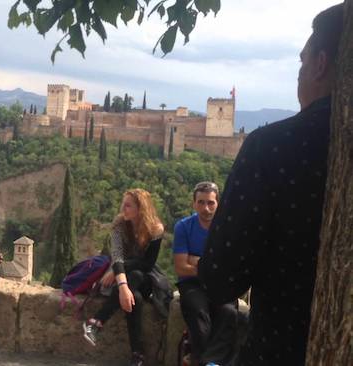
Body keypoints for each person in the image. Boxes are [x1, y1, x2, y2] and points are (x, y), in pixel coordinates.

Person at [198, 4, 344, 365]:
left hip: (282, 347)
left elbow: (220, 276)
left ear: (320, 64)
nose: (298, 74)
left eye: (302, 61)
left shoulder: (273, 147)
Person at [82, 188, 165, 366]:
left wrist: (116, 272)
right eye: (123, 205)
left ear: (141, 208)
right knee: (134, 299)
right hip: (125, 279)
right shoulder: (119, 224)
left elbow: (147, 264)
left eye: (128, 206)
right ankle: (138, 354)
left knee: (135, 275)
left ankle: (96, 321)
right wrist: (124, 287)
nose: (123, 209)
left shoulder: (156, 229)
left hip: (145, 278)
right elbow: (117, 256)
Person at [173, 182, 237, 366]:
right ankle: (208, 362)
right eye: (201, 202)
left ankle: (203, 361)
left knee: (229, 313)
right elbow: (180, 268)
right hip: (192, 284)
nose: (206, 208)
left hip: (220, 283)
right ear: (194, 204)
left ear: (218, 203)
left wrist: (196, 261)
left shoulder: (227, 228)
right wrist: (210, 265)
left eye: (210, 203)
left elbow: (230, 265)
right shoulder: (184, 227)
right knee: (199, 314)